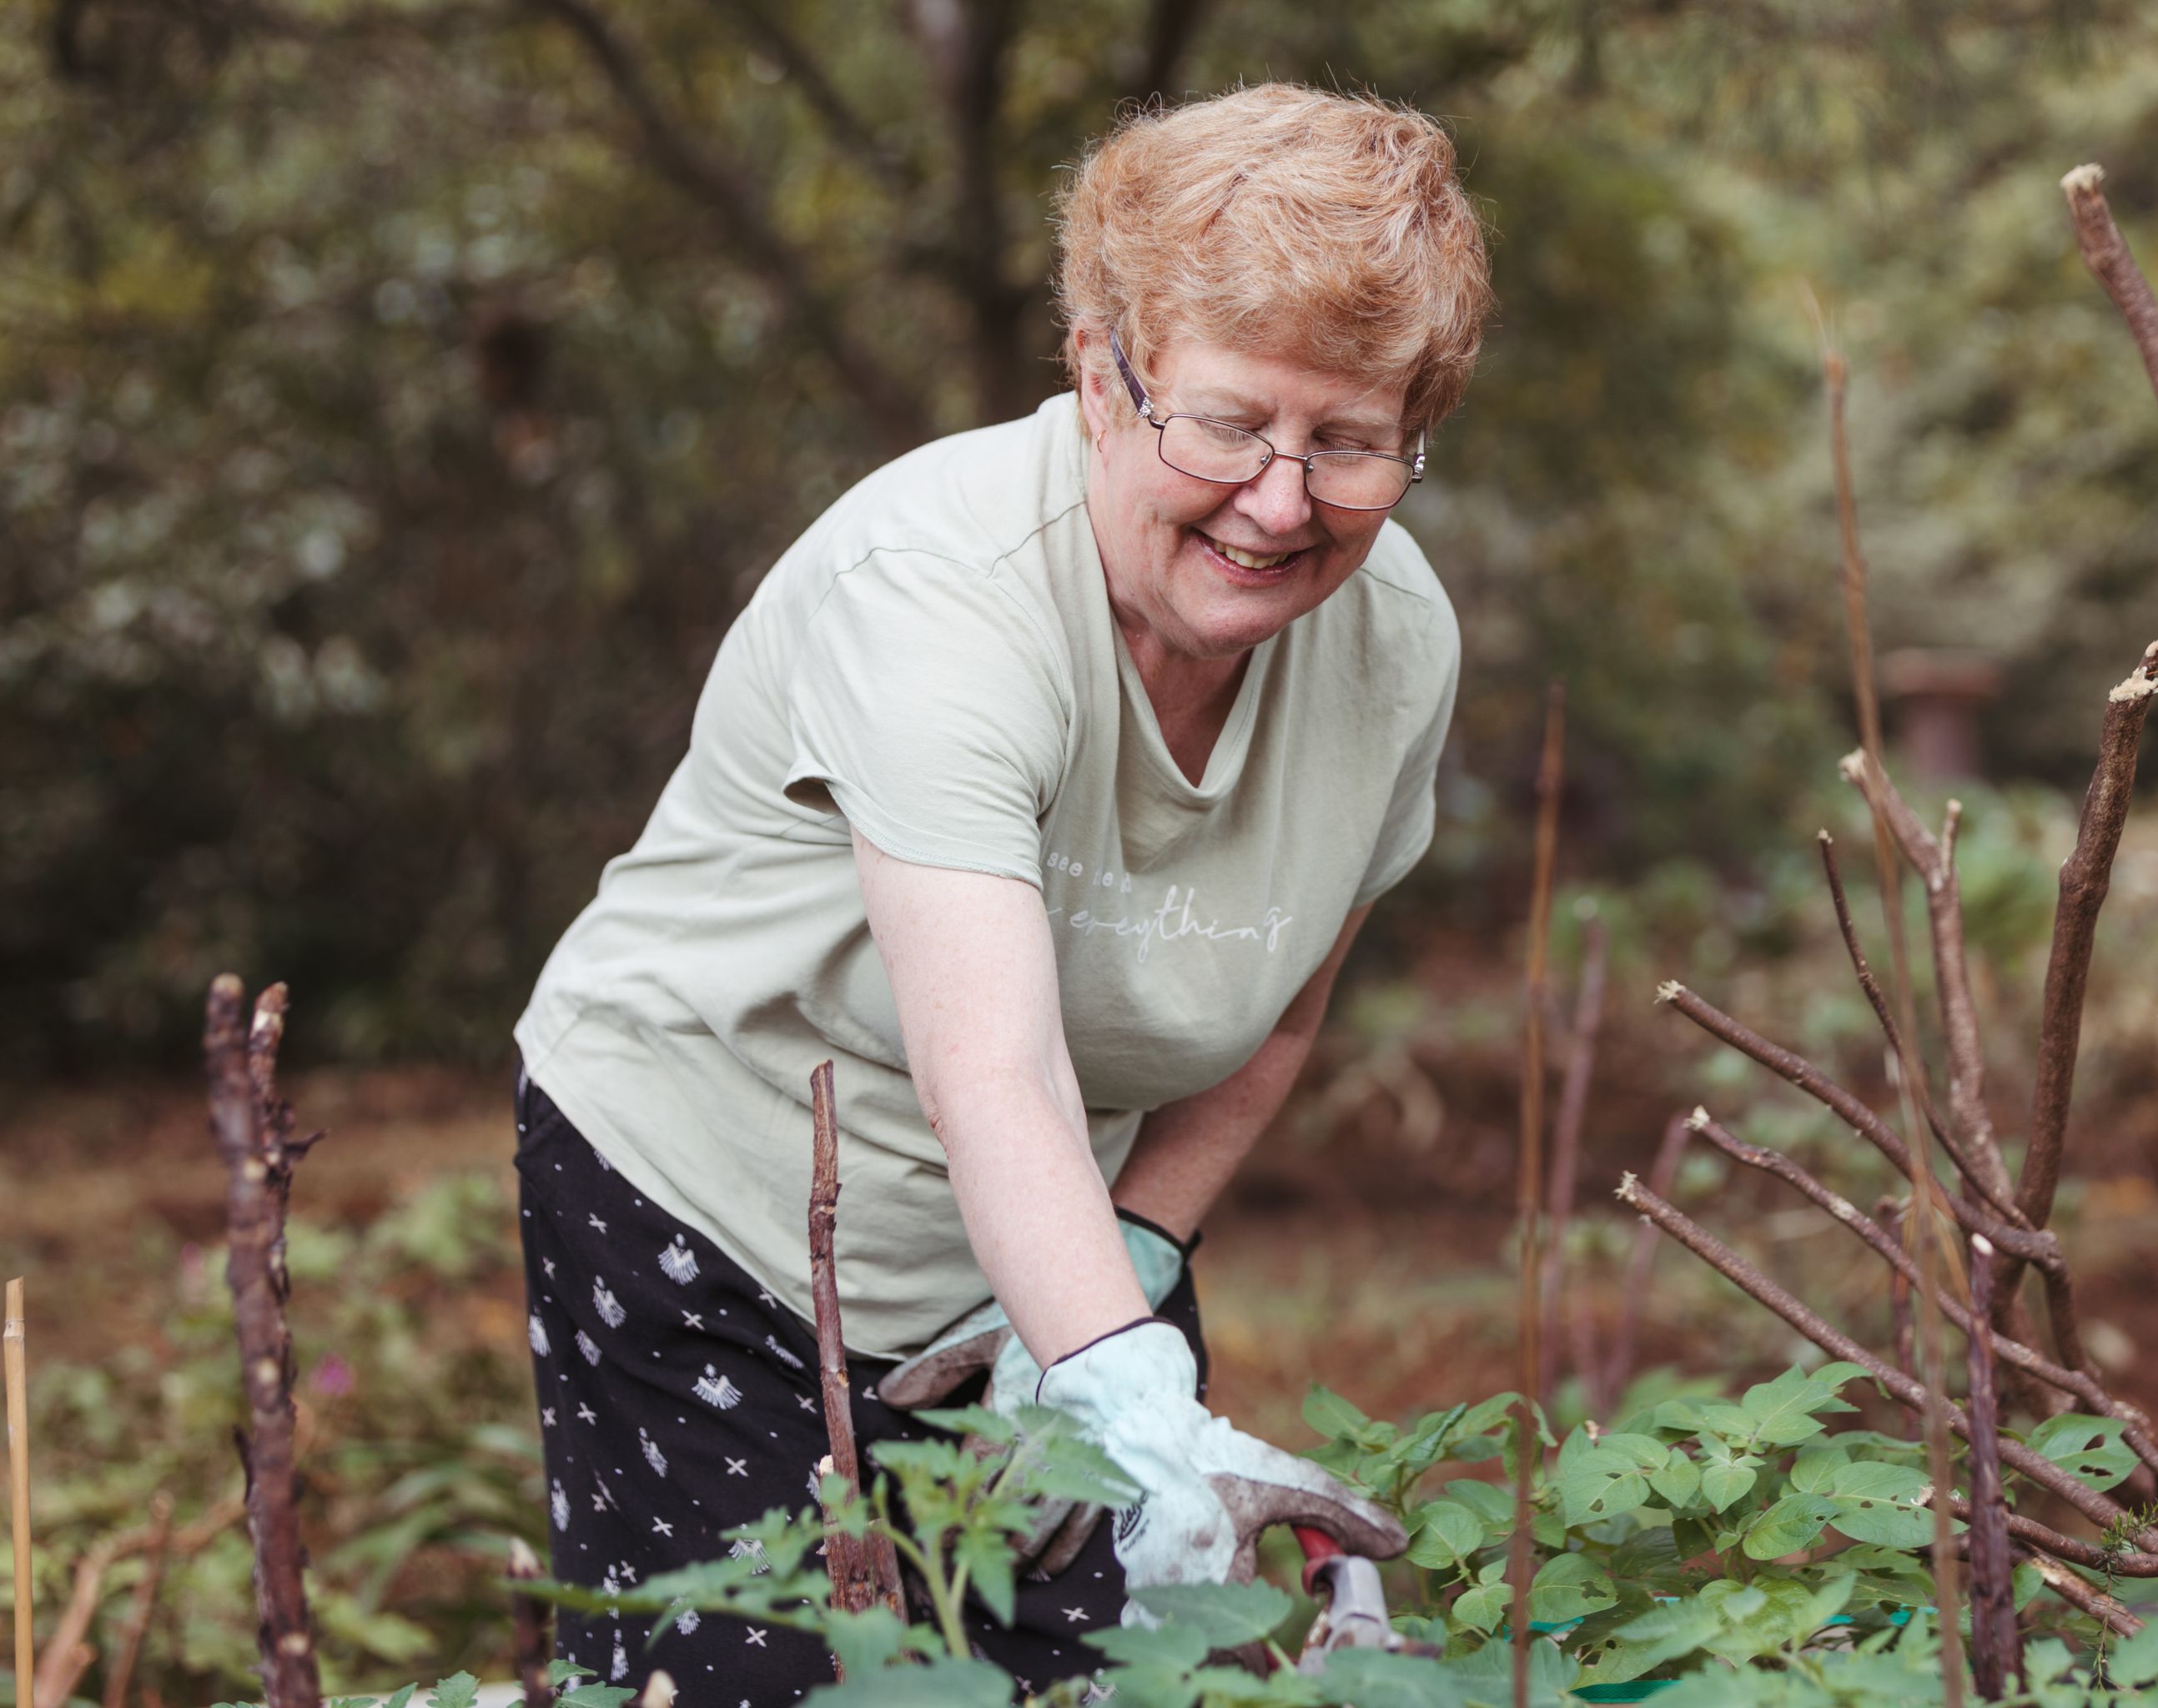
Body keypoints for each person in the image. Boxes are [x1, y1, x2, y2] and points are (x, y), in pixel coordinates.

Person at [508, 81, 1492, 1700]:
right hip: (706, 1187)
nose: (1280, 501)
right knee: (757, 1676)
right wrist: (1127, 1391)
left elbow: (1277, 996)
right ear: (1100, 370)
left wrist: (1132, 1259)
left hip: (1045, 1237)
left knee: (1102, 1666)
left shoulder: (1399, 646)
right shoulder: (943, 600)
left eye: (1351, 442)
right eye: (1229, 421)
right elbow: (1000, 1072)